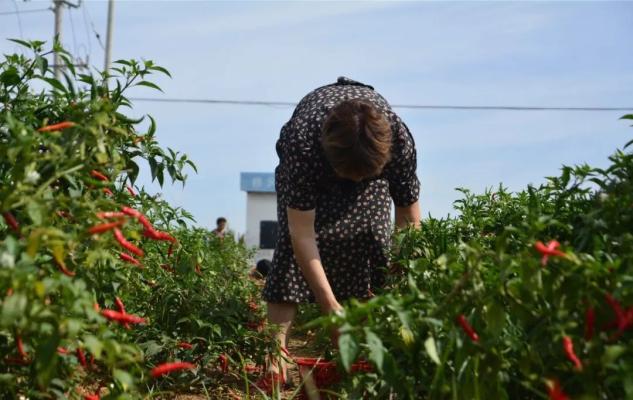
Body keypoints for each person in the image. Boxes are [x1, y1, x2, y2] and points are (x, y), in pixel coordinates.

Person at [258, 77, 421, 391]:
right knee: (290, 249)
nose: (353, 182)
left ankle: (363, 349)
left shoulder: (398, 141)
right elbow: (302, 233)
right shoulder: (302, 143)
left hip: (368, 156)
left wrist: (404, 288)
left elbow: (408, 222)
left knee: (373, 237)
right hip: (315, 155)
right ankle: (275, 354)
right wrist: (329, 307)